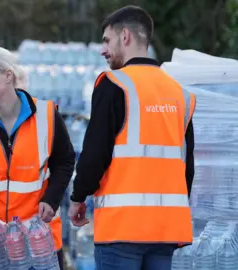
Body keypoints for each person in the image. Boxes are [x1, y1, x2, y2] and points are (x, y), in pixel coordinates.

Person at [67, 5, 196, 270]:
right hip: (167, 230)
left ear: (125, 36)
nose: (103, 49)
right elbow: (187, 167)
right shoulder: (180, 94)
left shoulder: (114, 84)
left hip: (122, 228)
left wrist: (78, 197)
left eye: (106, 40)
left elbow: (95, 153)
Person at [0, 46, 76, 270]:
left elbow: (65, 161)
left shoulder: (47, 116)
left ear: (8, 76)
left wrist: (51, 199)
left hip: (37, 234)